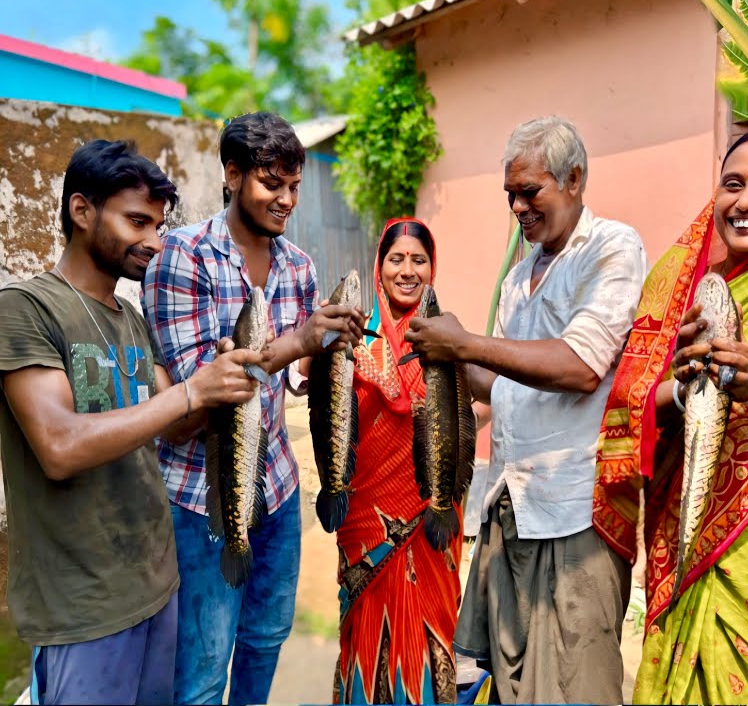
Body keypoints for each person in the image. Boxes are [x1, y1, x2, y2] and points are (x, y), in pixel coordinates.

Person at [0, 139, 267, 705]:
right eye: (137, 222)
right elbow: (58, 445)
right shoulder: (26, 309)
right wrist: (192, 390)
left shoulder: (132, 320)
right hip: (84, 609)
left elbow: (172, 425)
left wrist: (221, 383)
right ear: (81, 211)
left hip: (157, 587)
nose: (153, 242)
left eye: (160, 227)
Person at [594, 126, 748, 704]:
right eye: (732, 183)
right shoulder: (683, 290)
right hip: (687, 551)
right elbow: (628, 402)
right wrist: (681, 391)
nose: (746, 200)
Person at [403, 115, 647, 704]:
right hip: (510, 503)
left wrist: (465, 344)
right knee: (512, 681)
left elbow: (581, 366)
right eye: (509, 194)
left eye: (530, 191)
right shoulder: (519, 277)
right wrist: (446, 363)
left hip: (573, 508)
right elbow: (502, 382)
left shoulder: (612, 247)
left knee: (574, 679)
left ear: (574, 180)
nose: (517, 207)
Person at [142, 112, 366, 705]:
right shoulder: (182, 259)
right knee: (204, 666)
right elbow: (190, 402)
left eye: (294, 186)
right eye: (272, 184)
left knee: (266, 638)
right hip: (199, 494)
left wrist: (332, 354)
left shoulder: (299, 266)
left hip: (279, 483)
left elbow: (298, 381)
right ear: (232, 174)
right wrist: (297, 341)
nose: (287, 199)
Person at [333, 218, 462, 705]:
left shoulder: (447, 339)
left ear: (433, 267)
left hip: (432, 517)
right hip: (365, 519)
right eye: (396, 259)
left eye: (419, 260)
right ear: (379, 266)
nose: (407, 271)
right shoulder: (352, 339)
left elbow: (470, 406)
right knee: (366, 640)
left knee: (428, 638)